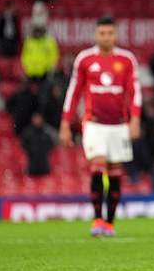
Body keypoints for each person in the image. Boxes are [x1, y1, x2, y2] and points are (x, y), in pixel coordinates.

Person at [60, 16, 141, 237]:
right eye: (102, 33)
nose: (106, 37)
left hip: (119, 125)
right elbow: (73, 92)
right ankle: (97, 219)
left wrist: (134, 120)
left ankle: (109, 223)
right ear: (96, 35)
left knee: (115, 173)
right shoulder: (85, 59)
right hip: (94, 124)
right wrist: (65, 123)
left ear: (115, 35)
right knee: (97, 166)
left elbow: (135, 92)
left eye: (110, 33)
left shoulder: (126, 60)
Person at [20, 111, 54, 176]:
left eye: (39, 118)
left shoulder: (47, 132)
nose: (37, 120)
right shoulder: (27, 132)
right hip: (32, 164)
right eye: (36, 118)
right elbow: (23, 145)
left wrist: (44, 151)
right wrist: (31, 151)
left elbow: (51, 145)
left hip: (44, 164)